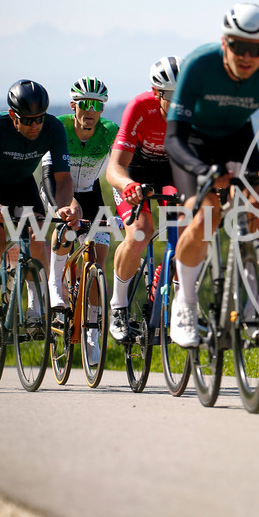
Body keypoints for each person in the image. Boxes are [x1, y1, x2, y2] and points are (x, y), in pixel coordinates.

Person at [165, 5, 259, 347]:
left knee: (257, 209)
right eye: (238, 46)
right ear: (224, 42)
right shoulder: (199, 64)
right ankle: (185, 303)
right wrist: (203, 171)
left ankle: (255, 306)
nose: (246, 56)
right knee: (206, 215)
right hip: (193, 143)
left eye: (256, 49)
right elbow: (173, 138)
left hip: (239, 139)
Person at [0, 80, 80, 346]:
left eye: (39, 119)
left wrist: (64, 206)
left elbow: (63, 179)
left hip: (22, 185)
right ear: (12, 115)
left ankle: (34, 309)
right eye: (28, 120)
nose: (35, 125)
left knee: (38, 233)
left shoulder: (53, 128)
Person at [41, 76, 118, 361]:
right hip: (56, 184)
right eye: (85, 104)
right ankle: (55, 284)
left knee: (99, 259)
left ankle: (92, 332)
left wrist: (122, 211)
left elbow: (120, 171)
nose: (90, 110)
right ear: (74, 105)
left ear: (102, 109)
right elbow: (49, 172)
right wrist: (64, 205)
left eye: (97, 105)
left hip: (90, 191)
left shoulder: (109, 132)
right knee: (66, 224)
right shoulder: (58, 127)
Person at [106, 56, 181, 342]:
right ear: (157, 93)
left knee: (188, 233)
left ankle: (173, 294)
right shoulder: (140, 108)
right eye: (171, 97)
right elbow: (114, 168)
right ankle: (118, 306)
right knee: (140, 232)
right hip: (135, 171)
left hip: (172, 172)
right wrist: (128, 185)